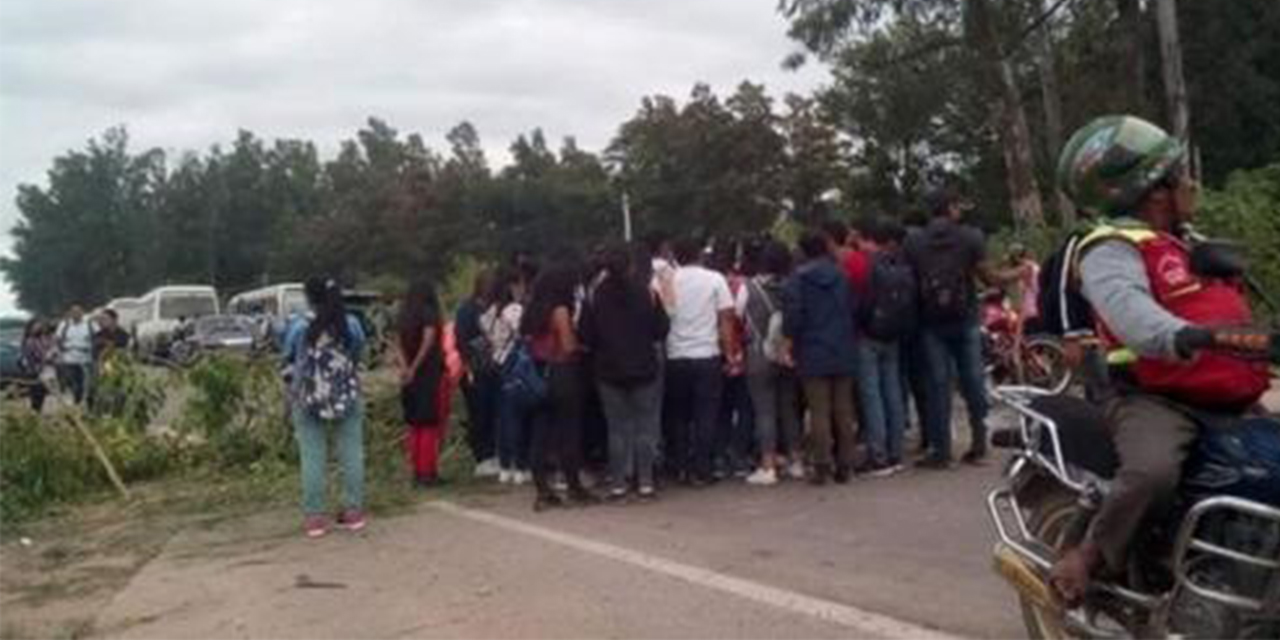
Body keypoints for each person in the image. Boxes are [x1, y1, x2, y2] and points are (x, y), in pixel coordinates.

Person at [1048, 115, 1274, 604]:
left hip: (1222, 392)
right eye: (1179, 174)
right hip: (1152, 398)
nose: (1190, 184)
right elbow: (1136, 321)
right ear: (1155, 191)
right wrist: (1195, 336)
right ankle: (1089, 556)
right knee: (1152, 472)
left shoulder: (1185, 240)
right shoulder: (1109, 249)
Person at [905, 188, 1025, 468]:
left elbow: (910, 283)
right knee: (972, 381)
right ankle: (980, 445)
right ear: (950, 208)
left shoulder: (914, 243)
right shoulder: (971, 237)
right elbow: (990, 277)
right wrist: (1018, 273)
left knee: (938, 386)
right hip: (966, 317)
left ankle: (941, 451)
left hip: (930, 322)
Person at [581, 244, 670, 502]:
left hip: (608, 370)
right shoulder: (646, 293)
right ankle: (645, 484)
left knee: (617, 429)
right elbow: (661, 329)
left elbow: (586, 335)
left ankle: (619, 485)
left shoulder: (596, 296)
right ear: (630, 266)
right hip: (644, 367)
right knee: (645, 427)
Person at [282, 277, 368, 539]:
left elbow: (288, 356)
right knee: (351, 450)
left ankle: (315, 518)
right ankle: (353, 512)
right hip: (346, 393)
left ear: (309, 298)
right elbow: (358, 352)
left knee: (312, 455)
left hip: (308, 396)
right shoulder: (350, 324)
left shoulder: (299, 325)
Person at [663, 236, 741, 486]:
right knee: (706, 415)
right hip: (707, 355)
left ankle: (681, 467)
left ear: (674, 256)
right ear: (699, 254)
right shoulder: (715, 279)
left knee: (679, 416)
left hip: (675, 355)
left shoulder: (667, 280)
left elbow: (664, 316)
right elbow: (726, 320)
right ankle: (703, 469)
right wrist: (729, 354)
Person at [784, 230, 860, 485]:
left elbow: (793, 316)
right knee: (843, 409)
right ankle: (846, 466)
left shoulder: (798, 278)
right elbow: (854, 308)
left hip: (812, 348)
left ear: (804, 251)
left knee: (819, 411)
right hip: (843, 346)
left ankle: (822, 465)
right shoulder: (842, 274)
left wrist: (790, 341)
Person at [521, 263, 598, 511]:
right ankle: (574, 487)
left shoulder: (531, 311)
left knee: (540, 433)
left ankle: (542, 489)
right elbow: (567, 345)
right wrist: (581, 346)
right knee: (569, 432)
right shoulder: (560, 310)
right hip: (562, 373)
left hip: (538, 374)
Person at [850, 219, 913, 476]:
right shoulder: (900, 264)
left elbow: (862, 302)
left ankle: (878, 455)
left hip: (869, 336)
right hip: (893, 335)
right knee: (893, 393)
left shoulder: (869, 263)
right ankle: (896, 451)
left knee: (872, 396)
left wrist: (862, 324)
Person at [743, 239, 801, 485]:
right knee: (788, 407)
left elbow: (738, 315)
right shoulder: (794, 285)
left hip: (759, 354)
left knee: (764, 410)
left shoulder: (749, 287)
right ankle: (796, 460)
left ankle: (768, 465)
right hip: (788, 353)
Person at [396, 281, 449, 487]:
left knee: (414, 423)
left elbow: (398, 344)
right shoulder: (429, 313)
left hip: (409, 375)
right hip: (428, 374)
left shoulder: (403, 314)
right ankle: (427, 472)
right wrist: (416, 367)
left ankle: (416, 471)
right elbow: (428, 340)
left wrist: (405, 368)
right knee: (429, 423)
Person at [482, 266, 532, 485]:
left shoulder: (490, 311)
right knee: (517, 417)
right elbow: (525, 334)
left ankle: (504, 465)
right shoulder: (515, 310)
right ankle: (519, 466)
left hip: (496, 364)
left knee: (502, 417)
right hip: (514, 365)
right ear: (512, 286)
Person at [456, 269, 500, 477]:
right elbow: (461, 339)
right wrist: (468, 365)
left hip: (493, 368)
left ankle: (493, 453)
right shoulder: (468, 310)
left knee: (492, 410)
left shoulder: (495, 308)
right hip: (475, 367)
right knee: (478, 412)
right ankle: (482, 456)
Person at [54, 305, 95, 405]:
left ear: (83, 313)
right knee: (73, 385)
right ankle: (75, 403)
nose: (76, 314)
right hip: (69, 359)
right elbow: (57, 339)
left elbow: (98, 337)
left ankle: (86, 403)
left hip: (86, 359)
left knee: (87, 385)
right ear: (70, 313)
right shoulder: (64, 325)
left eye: (78, 312)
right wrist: (61, 351)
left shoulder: (90, 324)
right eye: (73, 312)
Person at [20, 319, 54, 413]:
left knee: (41, 393)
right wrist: (47, 357)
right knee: (36, 393)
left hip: (41, 370)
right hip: (33, 371)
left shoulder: (42, 339)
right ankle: (35, 413)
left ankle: (37, 413)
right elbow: (34, 355)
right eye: (36, 326)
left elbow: (48, 348)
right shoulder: (29, 341)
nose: (39, 328)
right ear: (30, 328)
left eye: (40, 326)